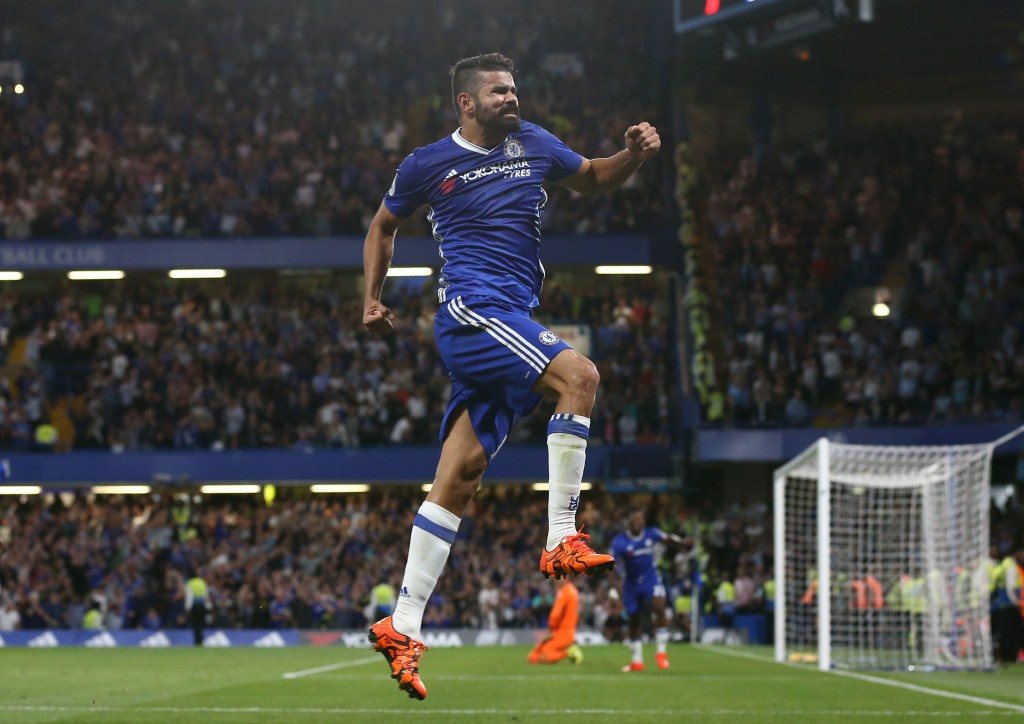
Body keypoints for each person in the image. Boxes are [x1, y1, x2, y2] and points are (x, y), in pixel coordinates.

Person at [363, 52, 661, 700]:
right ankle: (561, 536)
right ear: (466, 102)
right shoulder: (427, 164)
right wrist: (372, 299)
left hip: (512, 315)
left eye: (513, 88)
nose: (512, 97)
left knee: (460, 475)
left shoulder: (535, 143)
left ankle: (401, 623)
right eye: (499, 90)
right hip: (473, 311)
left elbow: (593, 177)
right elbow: (383, 225)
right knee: (581, 377)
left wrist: (633, 156)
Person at [610, 505, 689, 672]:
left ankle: (661, 653)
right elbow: (610, 564)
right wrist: (615, 587)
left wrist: (682, 542)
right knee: (634, 620)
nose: (639, 522)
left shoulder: (651, 534)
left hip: (650, 580)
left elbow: (668, 538)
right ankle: (637, 661)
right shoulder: (620, 542)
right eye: (635, 519)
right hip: (631, 585)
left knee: (659, 606)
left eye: (641, 518)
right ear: (629, 522)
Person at [527, 579, 584, 665]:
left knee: (540, 654)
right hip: (568, 633)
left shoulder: (563, 592)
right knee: (533, 656)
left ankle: (570, 653)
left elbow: (555, 615)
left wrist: (551, 629)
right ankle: (569, 651)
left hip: (561, 633)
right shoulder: (573, 590)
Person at [184, 568, 209, 647]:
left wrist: (188, 608)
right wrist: (207, 606)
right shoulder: (202, 582)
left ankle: (197, 641)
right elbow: (206, 595)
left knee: (195, 624)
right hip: (202, 606)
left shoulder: (190, 583)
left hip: (194, 606)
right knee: (201, 624)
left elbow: (189, 596)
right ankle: (201, 640)